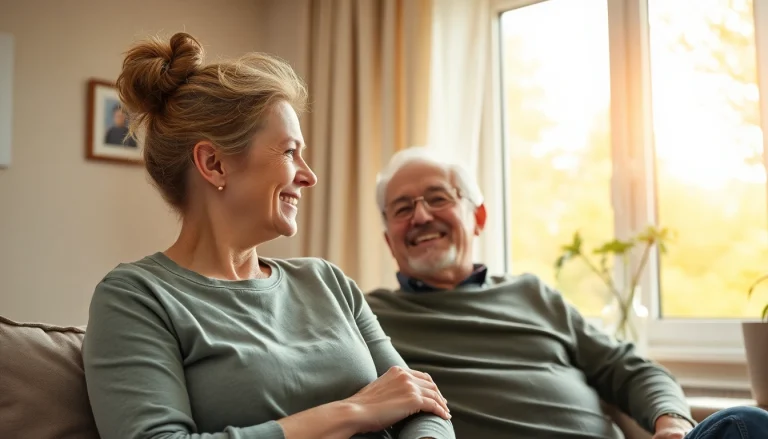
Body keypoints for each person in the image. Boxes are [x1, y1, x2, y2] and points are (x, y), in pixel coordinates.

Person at [81, 33, 454, 439]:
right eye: (290, 152)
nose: (308, 175)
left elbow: (420, 402)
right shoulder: (137, 297)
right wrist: (353, 411)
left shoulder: (328, 282)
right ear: (214, 164)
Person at [365, 146, 768, 439]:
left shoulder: (533, 294)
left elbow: (629, 369)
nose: (420, 216)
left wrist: (673, 423)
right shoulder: (368, 316)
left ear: (479, 217)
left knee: (747, 426)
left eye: (438, 198)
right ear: (389, 239)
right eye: (402, 208)